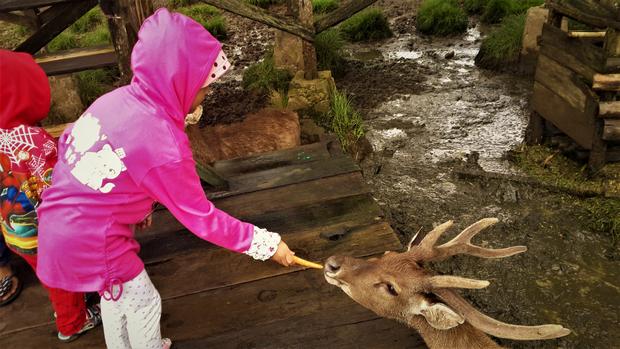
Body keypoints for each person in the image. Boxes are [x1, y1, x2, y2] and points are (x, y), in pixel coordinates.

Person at [36, 8, 296, 349]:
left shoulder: (114, 100)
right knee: (143, 302)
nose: (206, 94)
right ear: (180, 82)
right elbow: (201, 217)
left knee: (116, 297)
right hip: (95, 240)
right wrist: (264, 244)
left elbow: (73, 149)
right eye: (203, 86)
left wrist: (135, 206)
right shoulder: (165, 145)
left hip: (57, 224)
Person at [0, 49, 102, 341]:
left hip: (14, 232)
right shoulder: (34, 141)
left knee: (50, 276)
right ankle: (72, 324)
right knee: (61, 281)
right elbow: (60, 185)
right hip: (48, 233)